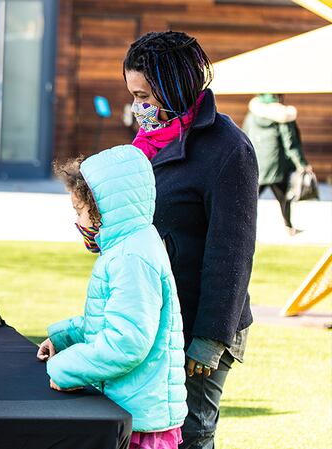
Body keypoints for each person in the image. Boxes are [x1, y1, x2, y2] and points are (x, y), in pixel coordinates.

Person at [123, 31, 257, 449]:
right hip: (153, 314)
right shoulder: (147, 142)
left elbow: (231, 252)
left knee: (191, 433)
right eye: (132, 94)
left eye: (145, 94)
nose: (138, 106)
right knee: (145, 427)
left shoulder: (228, 149)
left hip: (201, 323)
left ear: (173, 86)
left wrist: (211, 338)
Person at [39, 145, 186, 449]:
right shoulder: (130, 246)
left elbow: (126, 342)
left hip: (139, 421)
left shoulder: (131, 257)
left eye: (80, 211)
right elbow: (111, 319)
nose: (79, 222)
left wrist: (65, 368)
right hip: (131, 409)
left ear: (103, 207)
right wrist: (65, 338)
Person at [243, 93, 312, 235]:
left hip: (257, 164)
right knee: (284, 198)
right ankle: (289, 227)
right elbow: (290, 143)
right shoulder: (282, 117)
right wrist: (302, 164)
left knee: (249, 199)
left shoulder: (252, 116)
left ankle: (243, 228)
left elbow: (245, 136)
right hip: (276, 166)